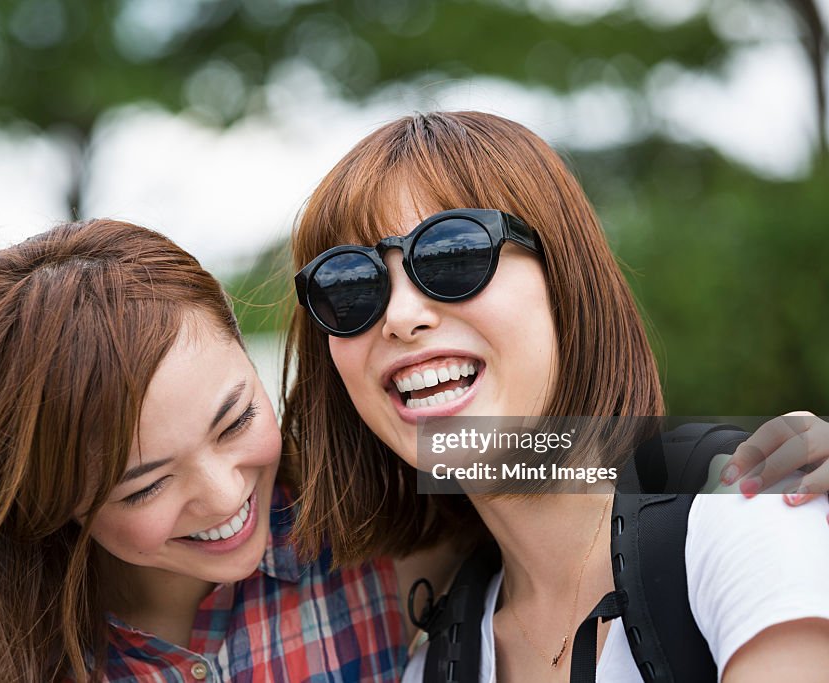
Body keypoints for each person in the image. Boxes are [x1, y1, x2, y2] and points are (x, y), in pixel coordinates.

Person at [285, 111, 829, 681]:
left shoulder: (749, 513)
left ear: (565, 277)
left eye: (451, 255)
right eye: (345, 285)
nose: (399, 317)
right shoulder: (436, 663)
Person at [0, 219, 455, 682]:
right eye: (146, 485)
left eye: (236, 421)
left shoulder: (366, 527)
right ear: (42, 497)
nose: (225, 494)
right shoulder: (6, 658)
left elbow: (543, 458)